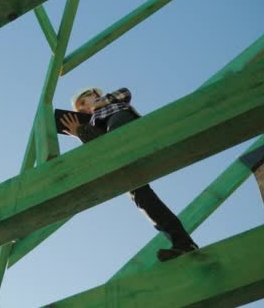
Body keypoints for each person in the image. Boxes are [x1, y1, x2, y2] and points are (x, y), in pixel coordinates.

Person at [60, 87, 198, 261]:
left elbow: (125, 93)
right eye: (79, 109)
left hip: (125, 127)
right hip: (120, 157)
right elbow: (100, 148)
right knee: (142, 200)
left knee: (116, 128)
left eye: (82, 103)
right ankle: (184, 244)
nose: (82, 109)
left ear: (93, 95)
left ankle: (120, 150)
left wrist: (98, 103)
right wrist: (80, 131)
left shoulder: (112, 102)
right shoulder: (92, 124)